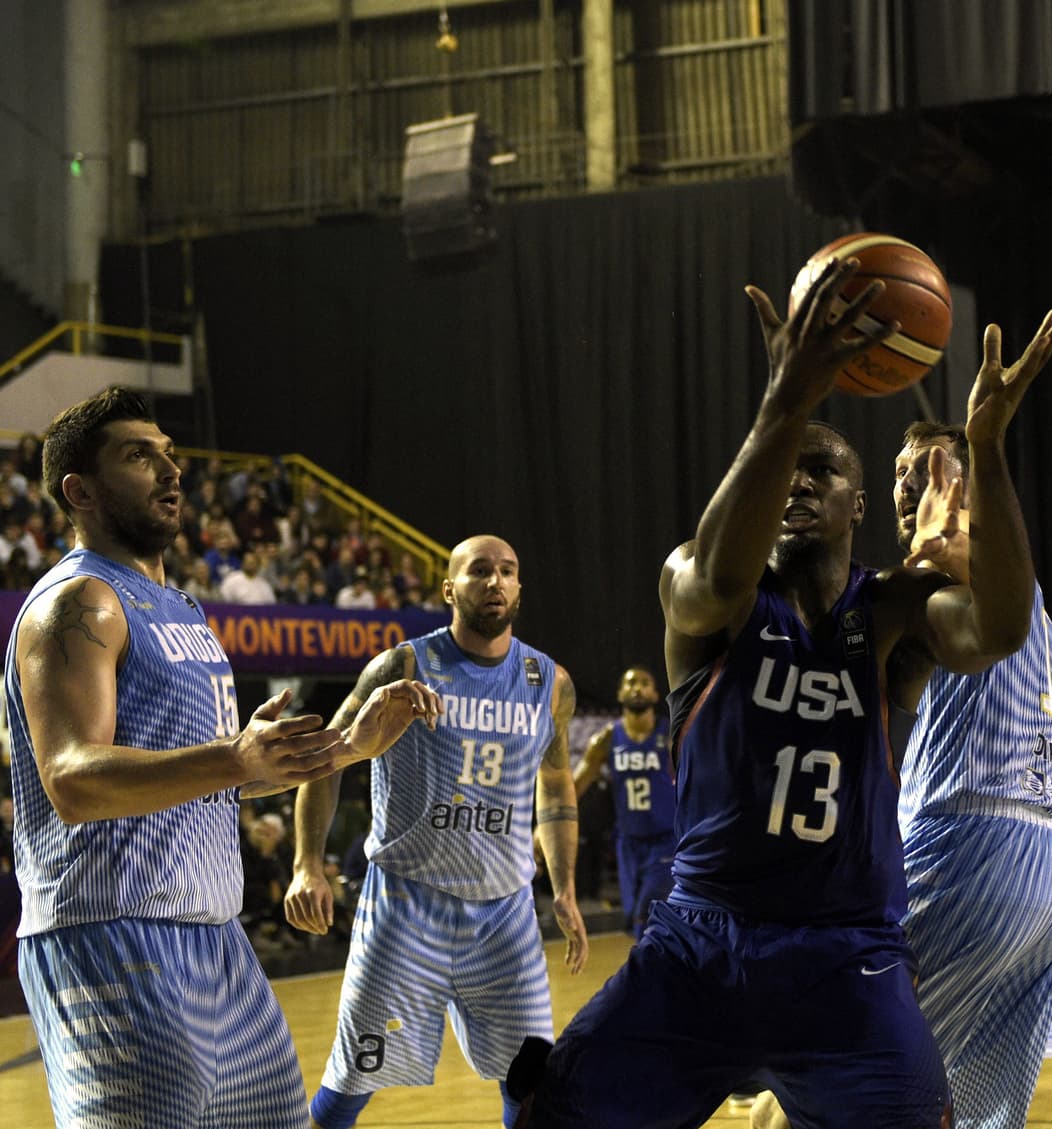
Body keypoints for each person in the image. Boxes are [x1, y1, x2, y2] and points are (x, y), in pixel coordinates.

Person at [519, 260, 1052, 1128]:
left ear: (859, 509)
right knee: (548, 1111)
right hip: (702, 940)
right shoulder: (704, 595)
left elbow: (998, 627)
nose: (801, 483)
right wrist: (788, 397)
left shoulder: (893, 611)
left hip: (848, 960)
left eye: (825, 472)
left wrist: (990, 450)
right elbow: (716, 570)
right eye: (790, 469)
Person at [4, 387, 439, 1129]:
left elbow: (209, 785)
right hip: (111, 936)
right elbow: (73, 780)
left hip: (216, 939)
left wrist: (343, 746)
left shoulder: (187, 614)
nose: (171, 470)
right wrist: (239, 758)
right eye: (139, 456)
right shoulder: (76, 603)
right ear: (80, 489)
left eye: (169, 453)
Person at [752, 417, 1052, 1129]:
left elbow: (958, 557)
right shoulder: (1029, 606)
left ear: (966, 483)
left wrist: (938, 547)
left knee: (811, 1084)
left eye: (929, 470)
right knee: (967, 1110)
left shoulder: (950, 567)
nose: (910, 485)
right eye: (900, 476)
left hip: (967, 845)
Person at [284, 533, 590, 1129]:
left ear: (520, 587)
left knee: (532, 1082)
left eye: (507, 570)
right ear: (450, 588)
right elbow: (328, 757)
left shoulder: (549, 683)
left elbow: (555, 784)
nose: (495, 581)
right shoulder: (403, 666)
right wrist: (306, 863)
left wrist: (566, 887)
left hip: (505, 913)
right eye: (480, 571)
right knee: (350, 1082)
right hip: (406, 905)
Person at [573, 666, 677, 940]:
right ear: (620, 693)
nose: (637, 688)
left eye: (644, 683)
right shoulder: (606, 739)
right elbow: (574, 787)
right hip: (629, 843)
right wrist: (545, 826)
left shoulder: (669, 736)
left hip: (666, 841)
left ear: (655, 695)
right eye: (630, 683)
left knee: (649, 910)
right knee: (634, 918)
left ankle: (647, 976)